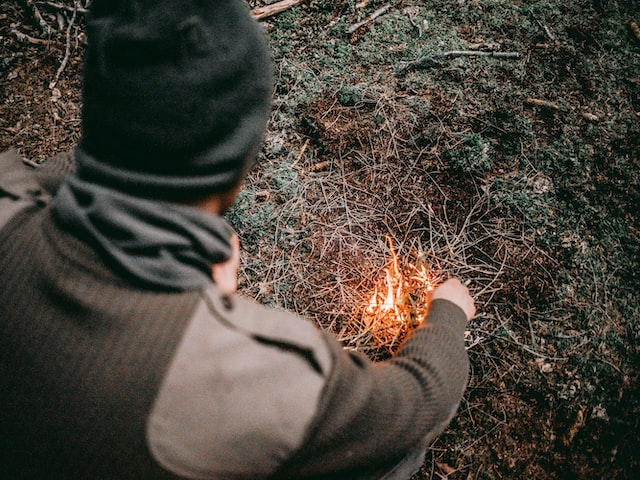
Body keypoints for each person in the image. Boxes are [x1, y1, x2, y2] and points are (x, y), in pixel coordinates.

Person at [0, 0, 476, 479]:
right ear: (236, 164)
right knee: (383, 456)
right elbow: (419, 400)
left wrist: (181, 266)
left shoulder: (8, 198)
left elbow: (54, 178)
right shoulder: (241, 373)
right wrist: (449, 312)